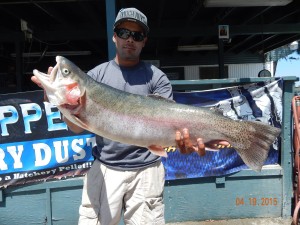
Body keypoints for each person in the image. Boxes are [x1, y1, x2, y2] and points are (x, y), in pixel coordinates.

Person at [31, 7, 228, 225]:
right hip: (105, 168)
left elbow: (170, 127)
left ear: (144, 41)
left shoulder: (157, 78)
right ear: (114, 36)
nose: (130, 39)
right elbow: (77, 127)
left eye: (137, 35)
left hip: (147, 171)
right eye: (124, 32)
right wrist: (61, 104)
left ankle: (243, 134)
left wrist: (186, 141)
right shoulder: (95, 76)